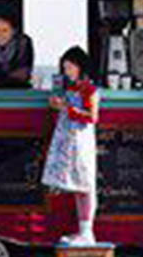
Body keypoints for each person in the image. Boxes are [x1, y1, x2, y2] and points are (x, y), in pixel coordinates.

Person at [41, 45, 100, 245]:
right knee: (77, 184)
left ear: (79, 67)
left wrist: (67, 107)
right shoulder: (71, 88)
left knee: (84, 183)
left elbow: (92, 116)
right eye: (65, 68)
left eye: (69, 67)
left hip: (80, 139)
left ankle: (87, 231)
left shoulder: (89, 89)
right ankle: (83, 230)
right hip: (69, 139)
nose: (66, 72)